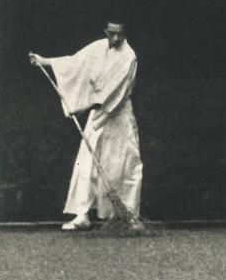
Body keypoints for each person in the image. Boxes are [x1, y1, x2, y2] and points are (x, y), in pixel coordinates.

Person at [29, 21, 143, 231]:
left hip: (118, 115)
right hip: (98, 112)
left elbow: (116, 91)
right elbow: (75, 63)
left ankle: (128, 216)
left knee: (124, 163)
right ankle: (82, 214)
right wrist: (45, 61)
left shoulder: (129, 56)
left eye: (119, 34)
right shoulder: (98, 47)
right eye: (111, 33)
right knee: (86, 162)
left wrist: (89, 107)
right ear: (106, 32)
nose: (115, 38)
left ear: (125, 33)